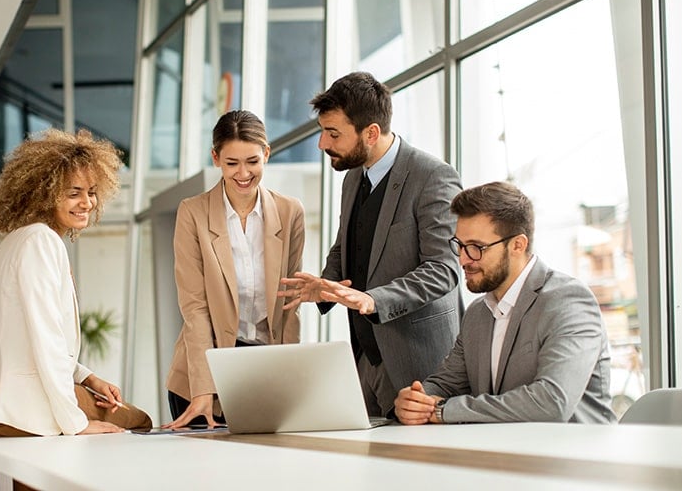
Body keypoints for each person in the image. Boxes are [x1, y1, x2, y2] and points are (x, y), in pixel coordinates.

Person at [279, 71, 462, 418]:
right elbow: (346, 244)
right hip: (365, 358)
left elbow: (444, 269)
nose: (322, 144)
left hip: (420, 364)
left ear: (371, 132)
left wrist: (373, 299)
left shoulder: (432, 176)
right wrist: (325, 284)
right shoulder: (352, 178)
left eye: (333, 134)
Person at [0, 128, 152, 440]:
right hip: (19, 411)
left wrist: (87, 378)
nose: (86, 202)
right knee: (139, 421)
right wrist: (76, 423)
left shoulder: (18, 240)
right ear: (43, 193)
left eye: (91, 192)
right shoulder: (41, 241)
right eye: (73, 193)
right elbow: (45, 338)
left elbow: (26, 338)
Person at [394, 181, 615, 424]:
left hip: (575, 455)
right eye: (460, 246)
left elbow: (552, 402)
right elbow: (446, 383)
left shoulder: (569, 301)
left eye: (477, 247)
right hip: (504, 454)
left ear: (518, 245)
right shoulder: (477, 313)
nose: (464, 260)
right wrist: (417, 400)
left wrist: (442, 410)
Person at [164, 110, 305, 428]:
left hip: (264, 369)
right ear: (215, 158)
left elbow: (290, 304)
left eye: (252, 161)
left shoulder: (290, 211)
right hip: (204, 372)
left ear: (266, 154)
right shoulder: (193, 214)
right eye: (232, 163)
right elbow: (195, 308)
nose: (244, 173)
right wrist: (203, 389)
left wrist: (291, 381)